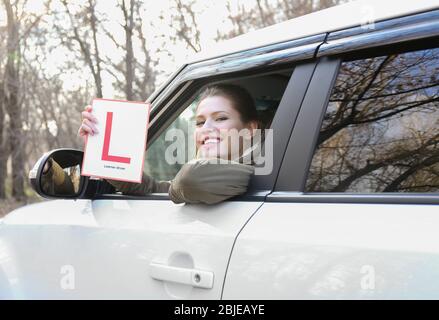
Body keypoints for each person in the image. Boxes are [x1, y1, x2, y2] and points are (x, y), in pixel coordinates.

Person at [44, 84, 261, 204]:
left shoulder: (259, 171)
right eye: (200, 122)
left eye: (221, 118)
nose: (206, 128)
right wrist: (101, 144)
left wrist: (175, 191)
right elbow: (152, 189)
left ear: (250, 129)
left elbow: (189, 180)